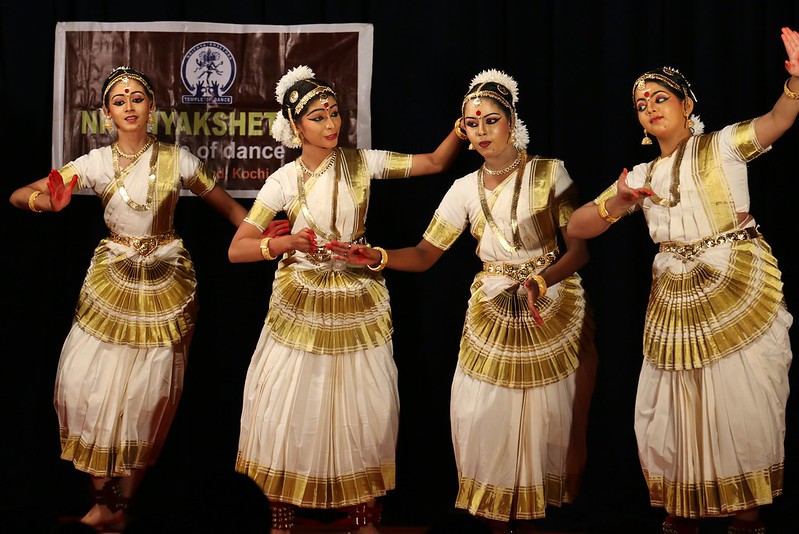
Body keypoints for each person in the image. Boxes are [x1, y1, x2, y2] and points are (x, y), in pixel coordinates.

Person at [328, 69, 598, 534]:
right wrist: (375, 256)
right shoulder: (463, 189)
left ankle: (534, 522)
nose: (482, 132)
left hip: (550, 305)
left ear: (512, 122)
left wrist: (541, 280)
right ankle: (497, 524)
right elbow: (425, 254)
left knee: (544, 421)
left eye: (492, 121)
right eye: (472, 125)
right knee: (482, 416)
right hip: (492, 310)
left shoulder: (551, 173)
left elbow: (580, 250)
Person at [566, 27, 799, 534]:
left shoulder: (725, 145)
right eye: (640, 103)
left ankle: (746, 515)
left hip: (734, 281)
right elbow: (576, 226)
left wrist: (796, 80)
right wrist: (620, 201)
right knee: (674, 400)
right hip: (675, 294)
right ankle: (683, 509)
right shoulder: (643, 174)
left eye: (660, 97)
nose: (649, 107)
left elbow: (779, 120)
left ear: (687, 103)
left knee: (741, 397)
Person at [9, 66, 257, 532]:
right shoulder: (94, 164)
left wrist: (267, 240)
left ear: (152, 108)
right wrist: (46, 202)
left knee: (147, 396)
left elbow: (231, 210)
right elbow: (19, 194)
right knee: (84, 389)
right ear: (106, 113)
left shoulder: (178, 161)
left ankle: (118, 509)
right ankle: (102, 498)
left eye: (137, 97)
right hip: (111, 283)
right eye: (119, 100)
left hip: (165, 285)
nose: (128, 105)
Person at [227, 65, 462, 534]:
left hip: (358, 292)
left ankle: (364, 513)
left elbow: (434, 163)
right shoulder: (283, 181)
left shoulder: (361, 163)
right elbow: (237, 249)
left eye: (334, 113)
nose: (331, 124)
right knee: (287, 400)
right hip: (300, 300)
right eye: (318, 117)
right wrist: (283, 245)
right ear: (296, 128)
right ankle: (281, 512)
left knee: (364, 400)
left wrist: (461, 128)